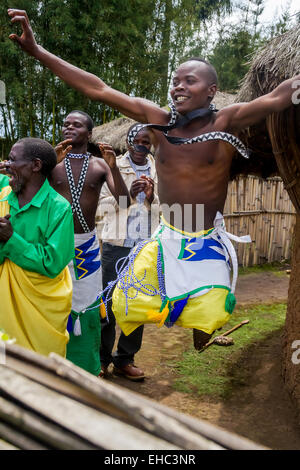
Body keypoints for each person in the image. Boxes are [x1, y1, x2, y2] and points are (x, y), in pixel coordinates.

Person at [7, 9, 300, 349]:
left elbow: (279, 96)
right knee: (125, 305)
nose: (179, 86)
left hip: (205, 238)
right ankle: (118, 355)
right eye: (175, 80)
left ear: (212, 90)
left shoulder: (227, 121)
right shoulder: (158, 121)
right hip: (165, 236)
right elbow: (98, 88)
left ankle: (200, 326)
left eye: (190, 80)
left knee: (211, 315)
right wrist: (38, 51)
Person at [49, 110, 130, 376]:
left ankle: (86, 365)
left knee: (88, 303)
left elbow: (125, 202)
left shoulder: (99, 164)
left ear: (89, 133)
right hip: (55, 243)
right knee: (55, 301)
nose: (69, 128)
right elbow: (34, 196)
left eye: (77, 125)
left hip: (87, 246)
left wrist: (114, 167)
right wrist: (50, 164)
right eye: (65, 123)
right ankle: (54, 361)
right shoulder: (52, 163)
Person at [0, 137, 74, 357]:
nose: (6, 165)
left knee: (40, 373)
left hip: (43, 309)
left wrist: (10, 239)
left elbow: (52, 262)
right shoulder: (3, 197)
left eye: (12, 160)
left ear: (36, 165)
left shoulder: (59, 208)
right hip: (4, 304)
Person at [97, 125, 159, 380]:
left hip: (145, 247)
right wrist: (127, 197)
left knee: (138, 304)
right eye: (138, 139)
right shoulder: (112, 165)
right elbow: (99, 205)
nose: (143, 144)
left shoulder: (159, 167)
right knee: (108, 304)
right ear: (129, 140)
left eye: (147, 140)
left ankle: (125, 359)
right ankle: (101, 359)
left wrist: (152, 197)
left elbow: (166, 204)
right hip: (116, 244)